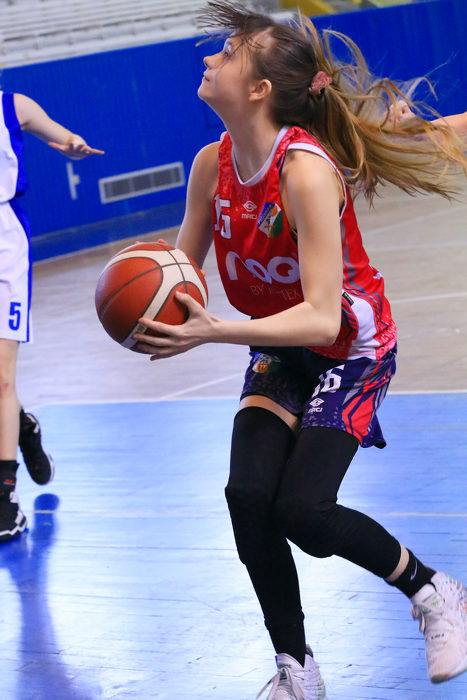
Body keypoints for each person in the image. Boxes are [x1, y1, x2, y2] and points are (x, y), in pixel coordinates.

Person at [133, 2, 467, 698]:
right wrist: (143, 303)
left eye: (226, 53)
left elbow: (320, 317)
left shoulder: (305, 172)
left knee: (304, 513)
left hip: (349, 346)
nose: (208, 58)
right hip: (279, 348)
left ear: (259, 89)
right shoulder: (210, 167)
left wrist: (212, 331)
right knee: (247, 495)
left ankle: (432, 590)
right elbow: (181, 279)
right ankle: (296, 668)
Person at [0, 90, 103, 543]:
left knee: (2, 377)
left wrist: (73, 143)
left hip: (4, 245)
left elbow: (61, 135)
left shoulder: (12, 106)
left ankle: (5, 498)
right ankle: (22, 425)